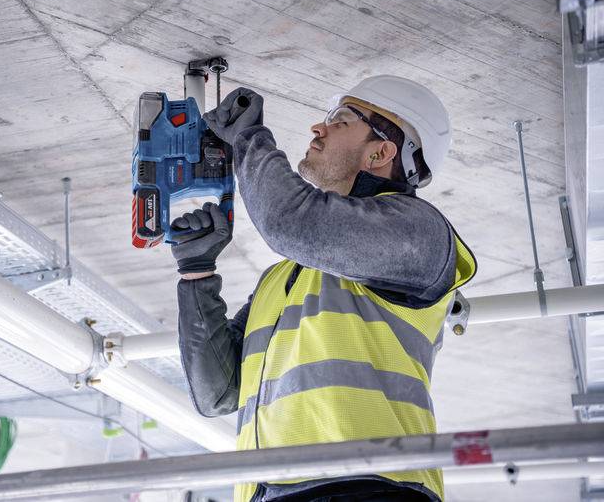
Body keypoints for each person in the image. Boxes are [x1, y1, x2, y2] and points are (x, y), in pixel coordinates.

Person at [171, 76, 477, 502]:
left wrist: (250, 138)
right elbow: (218, 393)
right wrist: (197, 275)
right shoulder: (284, 278)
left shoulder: (418, 233)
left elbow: (289, 222)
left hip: (368, 489)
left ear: (380, 152)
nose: (318, 127)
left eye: (340, 121)